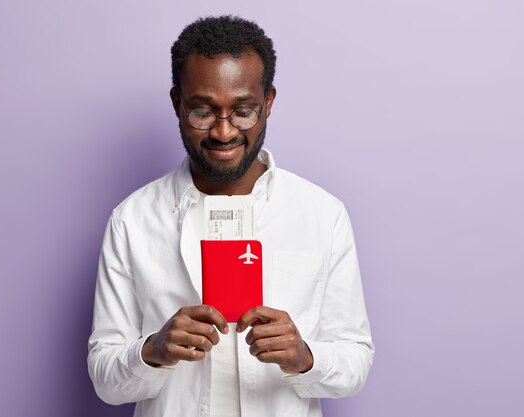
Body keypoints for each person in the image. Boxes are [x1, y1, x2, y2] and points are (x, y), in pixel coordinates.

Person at [87, 15, 374, 417]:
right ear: (177, 103)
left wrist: (305, 357)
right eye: (202, 111)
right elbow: (105, 379)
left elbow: (355, 361)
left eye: (243, 111)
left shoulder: (322, 215)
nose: (224, 132)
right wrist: (151, 351)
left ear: (268, 102)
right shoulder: (132, 220)